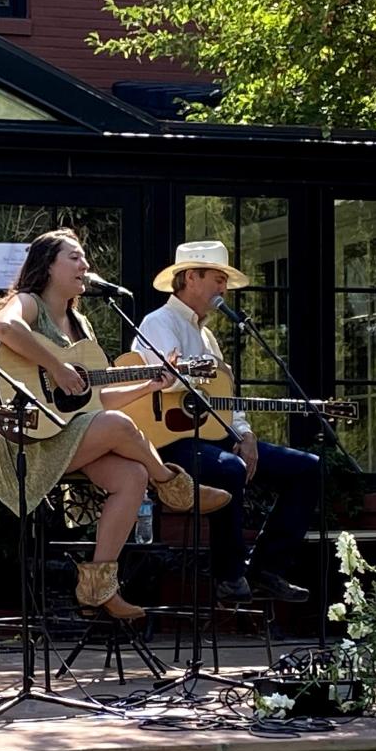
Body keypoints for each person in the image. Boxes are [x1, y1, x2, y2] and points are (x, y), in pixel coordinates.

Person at [0, 228, 231, 621]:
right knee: (117, 425)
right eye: (74, 257)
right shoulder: (28, 303)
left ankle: (98, 585)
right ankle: (174, 486)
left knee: (132, 475)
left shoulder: (80, 324)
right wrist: (56, 366)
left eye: (84, 258)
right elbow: (3, 329)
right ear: (48, 265)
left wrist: (150, 383)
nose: (85, 266)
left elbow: (93, 399)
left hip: (69, 433)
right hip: (29, 439)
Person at [134, 240, 320, 603]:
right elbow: (165, 383)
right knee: (230, 469)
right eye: (217, 279)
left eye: (224, 281)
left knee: (307, 468)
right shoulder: (157, 323)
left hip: (213, 438)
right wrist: (192, 378)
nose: (223, 289)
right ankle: (229, 575)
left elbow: (226, 396)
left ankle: (266, 567)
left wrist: (245, 433)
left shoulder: (207, 337)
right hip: (170, 442)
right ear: (190, 277)